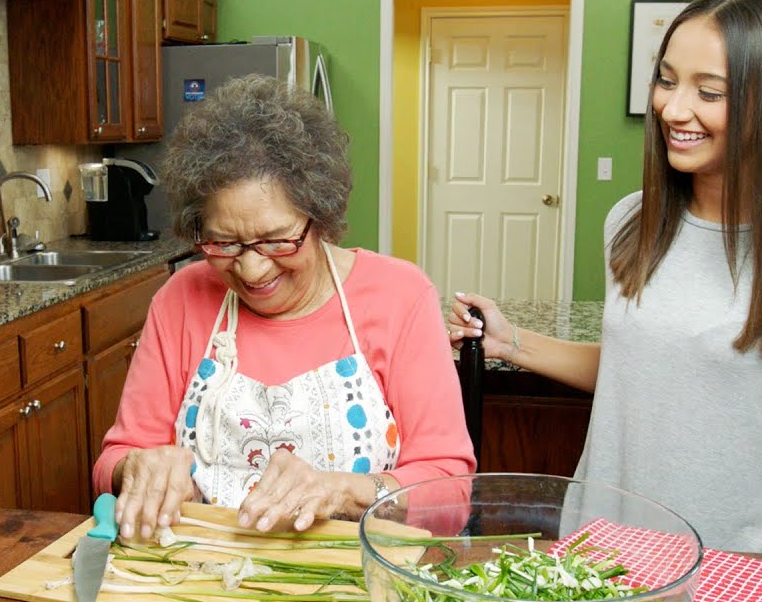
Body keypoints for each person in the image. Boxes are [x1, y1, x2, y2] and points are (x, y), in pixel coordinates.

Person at [448, 0, 762, 561]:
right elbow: (654, 370)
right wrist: (514, 343)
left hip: (734, 581)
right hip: (597, 558)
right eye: (666, 79)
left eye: (710, 92)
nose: (673, 109)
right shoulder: (634, 221)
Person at [95, 74, 476, 541]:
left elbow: (450, 494)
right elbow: (114, 460)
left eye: (277, 240)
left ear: (321, 216)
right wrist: (137, 466)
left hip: (350, 585)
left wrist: (343, 492)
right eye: (224, 243)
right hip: (198, 574)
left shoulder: (400, 296)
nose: (253, 270)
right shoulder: (180, 299)